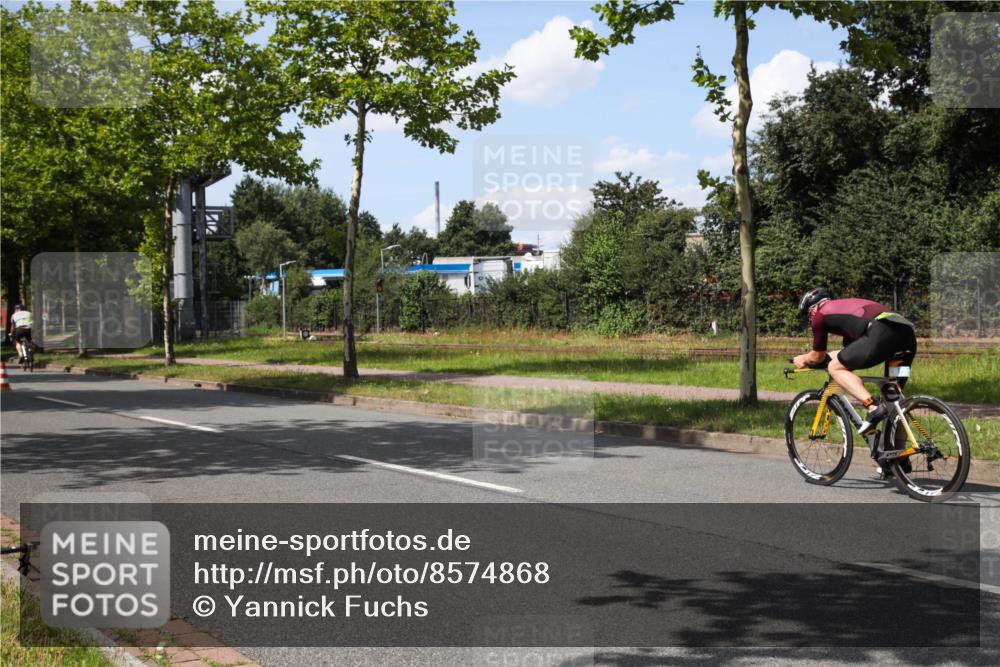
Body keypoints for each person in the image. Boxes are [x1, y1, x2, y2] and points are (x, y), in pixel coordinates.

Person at [792, 288, 917, 436]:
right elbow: (850, 353)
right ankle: (899, 455)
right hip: (906, 337)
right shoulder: (846, 309)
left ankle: (873, 407)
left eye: (808, 316)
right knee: (894, 403)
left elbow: (817, 356)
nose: (810, 320)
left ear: (812, 309)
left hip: (880, 332)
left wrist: (803, 358)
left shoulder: (819, 315)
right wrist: (831, 357)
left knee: (835, 368)